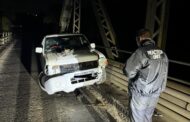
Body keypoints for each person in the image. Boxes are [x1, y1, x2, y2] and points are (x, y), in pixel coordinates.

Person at [123, 28, 169, 122]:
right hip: (155, 94)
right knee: (148, 117)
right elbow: (164, 74)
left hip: (141, 94)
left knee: (137, 119)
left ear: (139, 38)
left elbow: (128, 72)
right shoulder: (163, 53)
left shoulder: (141, 52)